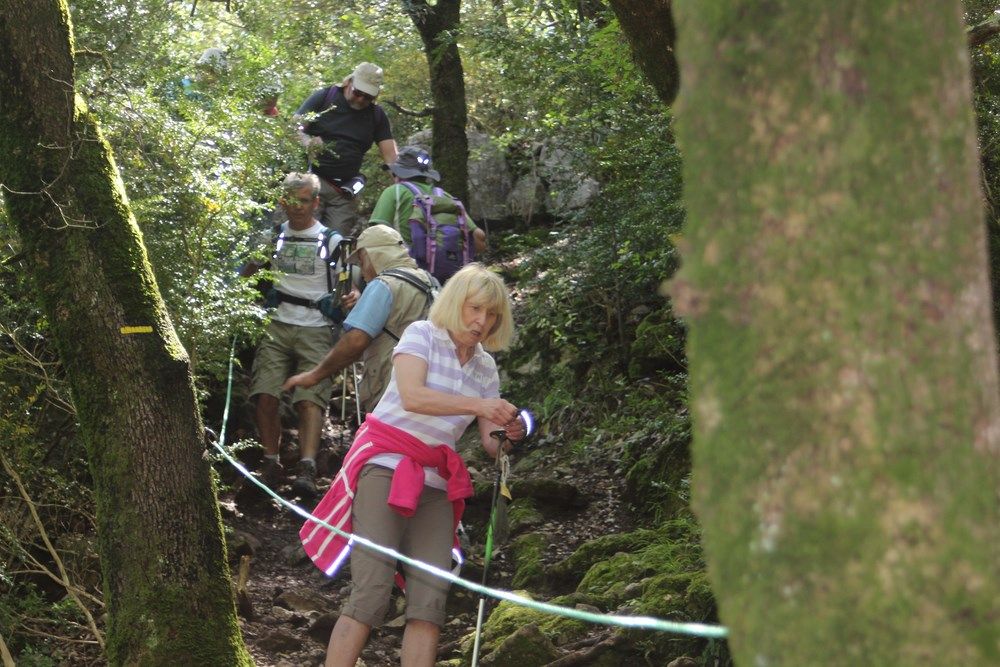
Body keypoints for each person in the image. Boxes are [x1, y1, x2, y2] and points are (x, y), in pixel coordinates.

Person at [298, 264, 525, 667]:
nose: (481, 321)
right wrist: (479, 405)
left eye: (492, 314)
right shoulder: (422, 335)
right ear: (457, 303)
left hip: (436, 485)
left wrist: (513, 429)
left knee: (430, 602)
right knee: (370, 594)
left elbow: (492, 442)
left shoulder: (485, 367)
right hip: (385, 468)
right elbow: (414, 396)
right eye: (475, 309)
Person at [241, 172, 355, 498]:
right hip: (277, 323)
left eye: (304, 201)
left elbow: (349, 284)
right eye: (291, 201)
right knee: (265, 394)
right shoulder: (273, 237)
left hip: (317, 327)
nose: (298, 208)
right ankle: (270, 460)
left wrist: (353, 297)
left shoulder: (331, 241)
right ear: (282, 201)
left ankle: (306, 466)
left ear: (316, 203)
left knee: (310, 399)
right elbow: (248, 273)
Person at [282, 224, 438, 417]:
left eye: (362, 261)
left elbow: (355, 341)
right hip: (432, 389)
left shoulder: (383, 285)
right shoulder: (430, 281)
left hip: (394, 395)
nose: (362, 271)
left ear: (376, 256)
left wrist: (314, 375)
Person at [295, 62, 399, 237]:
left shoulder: (377, 116)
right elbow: (292, 128)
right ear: (349, 82)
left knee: (335, 243)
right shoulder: (324, 97)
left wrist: (404, 187)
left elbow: (391, 157)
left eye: (368, 97)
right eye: (358, 93)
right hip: (311, 181)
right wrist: (307, 141)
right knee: (302, 237)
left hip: (344, 191)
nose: (361, 100)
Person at [369, 146, 487, 281]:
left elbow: (375, 236)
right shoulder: (444, 196)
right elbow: (479, 238)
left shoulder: (394, 192)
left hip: (406, 275)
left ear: (398, 173)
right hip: (448, 279)